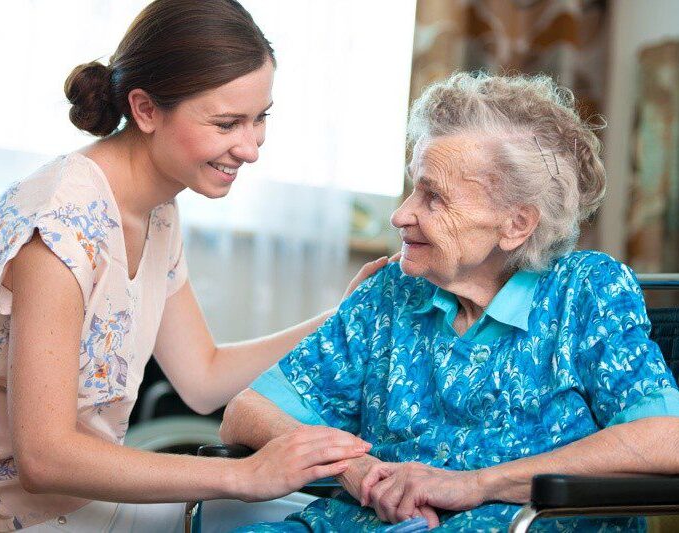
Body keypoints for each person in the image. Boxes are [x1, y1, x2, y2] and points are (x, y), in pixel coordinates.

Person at [0, 1, 387, 531]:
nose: (251, 148)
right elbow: (44, 458)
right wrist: (247, 474)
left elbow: (203, 377)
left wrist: (346, 314)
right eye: (227, 123)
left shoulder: (157, 208)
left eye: (261, 119)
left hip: (82, 504)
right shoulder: (59, 229)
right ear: (144, 110)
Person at [220, 72, 679, 532]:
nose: (401, 215)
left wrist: (475, 484)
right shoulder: (393, 291)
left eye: (434, 197)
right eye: (413, 187)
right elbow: (246, 413)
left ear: (515, 224)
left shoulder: (586, 292)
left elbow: (665, 439)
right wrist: (353, 470)